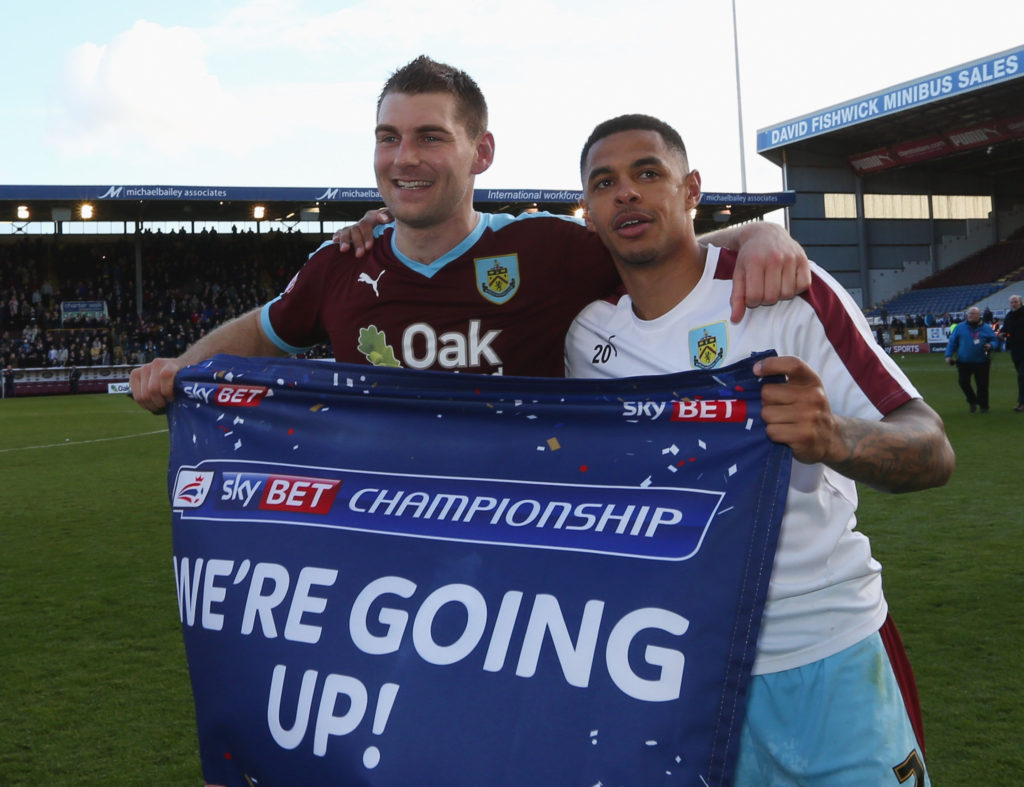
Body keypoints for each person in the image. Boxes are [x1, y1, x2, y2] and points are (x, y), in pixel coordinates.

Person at [564, 114, 955, 784]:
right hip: (673, 671)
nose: (625, 193)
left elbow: (932, 449)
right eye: (605, 182)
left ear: (691, 189)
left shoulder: (784, 292)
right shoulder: (584, 332)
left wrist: (835, 436)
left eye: (647, 173)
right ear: (590, 213)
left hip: (826, 653)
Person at [131, 56, 811, 411]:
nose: (405, 158)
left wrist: (758, 236)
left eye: (431, 137)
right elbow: (260, 331)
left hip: (522, 556)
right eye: (388, 138)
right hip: (384, 554)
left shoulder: (547, 249)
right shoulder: (341, 264)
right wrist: (180, 369)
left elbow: (660, 248)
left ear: (481, 153)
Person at [945, 306, 999, 413]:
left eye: (974, 314)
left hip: (982, 361)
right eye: (969, 314)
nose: (971, 316)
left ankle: (984, 407)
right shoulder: (960, 327)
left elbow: (995, 340)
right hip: (964, 361)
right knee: (963, 382)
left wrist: (991, 345)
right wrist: (948, 355)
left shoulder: (986, 328)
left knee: (982, 385)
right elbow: (952, 342)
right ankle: (972, 400)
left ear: (979, 315)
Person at [999, 293, 1024, 411]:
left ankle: (1021, 403)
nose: (1014, 304)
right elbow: (1005, 329)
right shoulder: (1009, 316)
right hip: (1015, 350)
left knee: (1022, 376)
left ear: (1021, 302)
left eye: (1016, 302)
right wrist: (1001, 334)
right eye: (1012, 302)